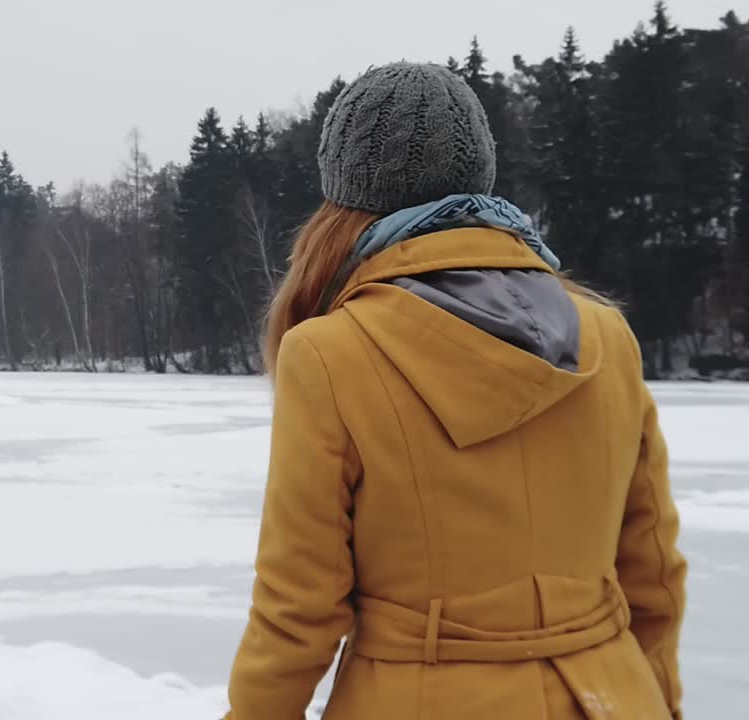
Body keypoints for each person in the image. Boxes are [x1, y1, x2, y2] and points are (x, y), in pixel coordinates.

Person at [225, 62, 686, 719]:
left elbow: (297, 611)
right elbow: (654, 579)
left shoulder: (329, 354)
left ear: (345, 192)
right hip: (610, 699)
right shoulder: (608, 339)